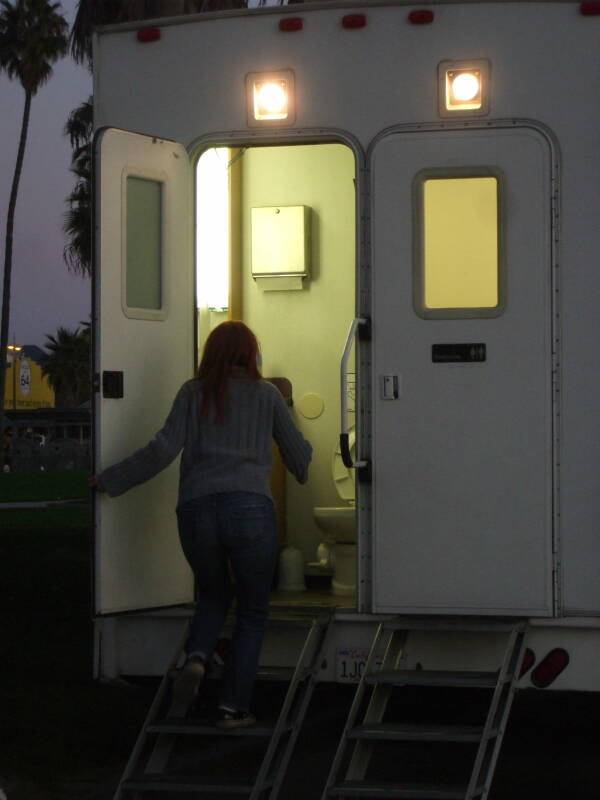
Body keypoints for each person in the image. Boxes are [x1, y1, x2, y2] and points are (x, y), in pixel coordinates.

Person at [90, 321, 312, 728]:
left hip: (196, 510)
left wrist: (111, 479)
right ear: (251, 354)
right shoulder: (269, 395)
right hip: (250, 510)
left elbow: (162, 449)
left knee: (212, 594)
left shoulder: (192, 393)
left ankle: (196, 658)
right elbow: (299, 459)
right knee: (252, 609)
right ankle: (232, 708)